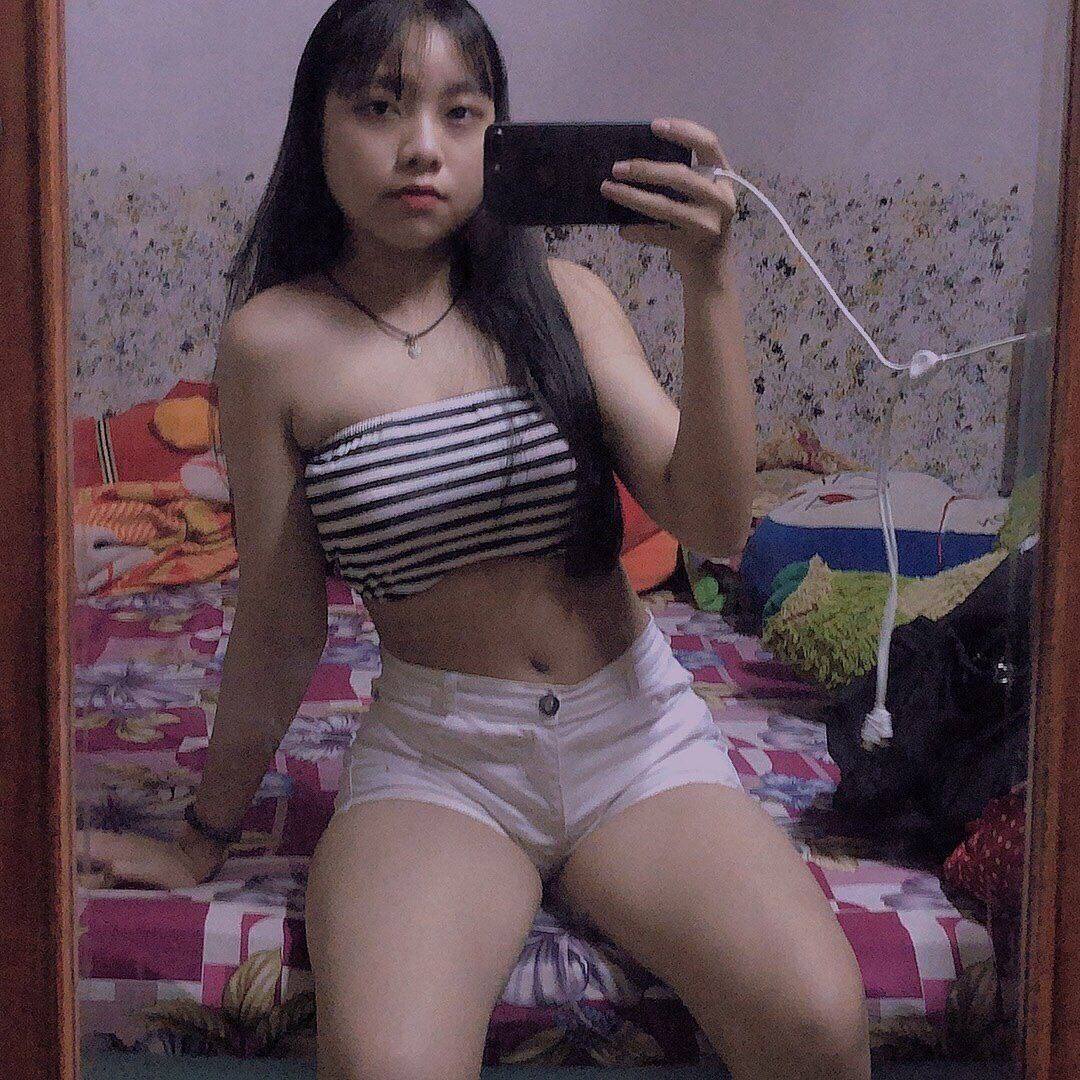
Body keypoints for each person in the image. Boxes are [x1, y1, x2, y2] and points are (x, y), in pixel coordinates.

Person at [79, 3, 871, 1077]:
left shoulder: (563, 300)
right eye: (380, 107)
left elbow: (716, 521)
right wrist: (200, 836)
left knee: (819, 1022)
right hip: (440, 766)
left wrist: (710, 281)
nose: (422, 147)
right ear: (317, 128)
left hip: (635, 742)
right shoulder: (273, 345)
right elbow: (278, 622)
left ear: (496, 134)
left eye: (461, 113)